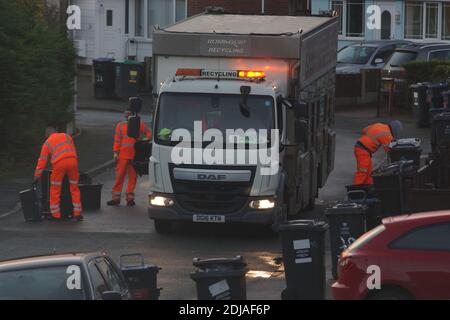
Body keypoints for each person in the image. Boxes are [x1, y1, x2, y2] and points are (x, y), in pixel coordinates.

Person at [34, 127, 83, 221]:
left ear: (46, 135)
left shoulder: (47, 143)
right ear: (56, 131)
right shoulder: (67, 136)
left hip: (59, 164)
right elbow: (72, 149)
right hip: (73, 161)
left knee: (55, 188)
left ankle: (55, 214)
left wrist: (36, 176)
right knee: (74, 187)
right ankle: (77, 213)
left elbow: (42, 162)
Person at [107, 108, 152, 206]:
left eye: (128, 113)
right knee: (119, 177)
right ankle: (116, 199)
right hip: (124, 155)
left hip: (133, 155)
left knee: (132, 177)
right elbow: (117, 140)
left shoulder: (138, 124)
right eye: (126, 113)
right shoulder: (121, 125)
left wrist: (143, 141)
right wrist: (115, 153)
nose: (127, 114)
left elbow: (149, 134)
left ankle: (129, 198)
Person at [353, 120, 403, 185]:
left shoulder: (379, 125)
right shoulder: (387, 135)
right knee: (362, 172)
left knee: (368, 174)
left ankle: (367, 189)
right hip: (363, 151)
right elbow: (390, 151)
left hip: (361, 148)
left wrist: (368, 139)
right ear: (395, 131)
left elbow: (364, 130)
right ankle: (354, 191)